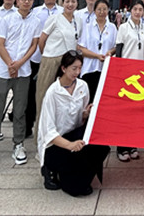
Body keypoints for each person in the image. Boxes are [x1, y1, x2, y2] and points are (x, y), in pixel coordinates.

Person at [0, 0, 40, 170]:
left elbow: (34, 45)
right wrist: (10, 64)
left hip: (24, 72)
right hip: (3, 72)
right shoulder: (6, 19)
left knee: (20, 111)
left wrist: (19, 64)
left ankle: (18, 144)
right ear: (17, 1)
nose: (26, 2)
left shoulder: (36, 21)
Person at [37, 50, 110, 196]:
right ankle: (50, 169)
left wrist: (85, 114)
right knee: (75, 189)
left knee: (102, 146)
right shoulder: (53, 93)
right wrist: (70, 145)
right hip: (57, 144)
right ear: (64, 68)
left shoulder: (82, 86)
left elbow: (80, 117)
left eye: (80, 68)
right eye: (74, 68)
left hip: (75, 135)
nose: (77, 72)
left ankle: (76, 172)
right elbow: (48, 132)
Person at [34, 0, 80, 137]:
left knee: (63, 101)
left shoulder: (77, 21)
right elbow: (42, 40)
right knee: (44, 98)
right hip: (51, 61)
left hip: (68, 64)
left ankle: (60, 136)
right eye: (67, 1)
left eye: (73, 2)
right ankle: (41, 137)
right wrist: (47, 56)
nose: (70, 4)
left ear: (77, 4)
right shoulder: (54, 19)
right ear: (62, 3)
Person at [24, 0, 61, 137]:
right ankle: (28, 127)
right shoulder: (35, 12)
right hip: (36, 59)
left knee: (54, 95)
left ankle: (52, 128)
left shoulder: (63, 12)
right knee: (32, 94)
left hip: (56, 61)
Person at [113, 0, 144, 162]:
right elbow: (119, 51)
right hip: (127, 76)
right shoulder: (124, 28)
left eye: (140, 9)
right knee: (124, 113)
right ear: (130, 10)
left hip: (140, 76)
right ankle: (121, 147)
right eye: (135, 9)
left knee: (136, 113)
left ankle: (133, 145)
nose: (138, 12)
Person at [78, 0, 117, 101]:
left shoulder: (112, 27)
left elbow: (116, 47)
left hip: (105, 69)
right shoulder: (87, 27)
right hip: (89, 68)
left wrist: (110, 52)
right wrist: (96, 56)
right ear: (94, 11)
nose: (102, 12)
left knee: (101, 100)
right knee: (88, 99)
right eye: (99, 9)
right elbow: (81, 48)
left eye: (104, 9)